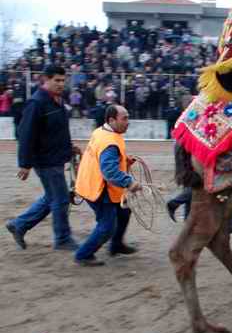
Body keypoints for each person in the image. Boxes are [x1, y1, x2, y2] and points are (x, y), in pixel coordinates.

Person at [6, 66, 81, 250]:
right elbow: (26, 134)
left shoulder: (57, 101)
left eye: (63, 80)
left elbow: (58, 130)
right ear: (44, 80)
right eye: (57, 80)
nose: (61, 84)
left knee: (51, 198)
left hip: (56, 157)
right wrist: (24, 164)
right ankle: (62, 239)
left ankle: (19, 225)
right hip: (45, 160)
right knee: (61, 198)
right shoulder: (36, 103)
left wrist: (69, 148)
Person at [73, 105, 142, 266]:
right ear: (111, 120)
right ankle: (83, 255)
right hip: (98, 188)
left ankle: (116, 245)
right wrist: (129, 182)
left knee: (124, 211)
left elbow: (105, 161)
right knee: (107, 226)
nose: (128, 122)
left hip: (91, 182)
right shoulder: (110, 142)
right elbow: (110, 172)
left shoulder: (101, 132)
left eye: (128, 117)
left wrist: (124, 162)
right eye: (124, 118)